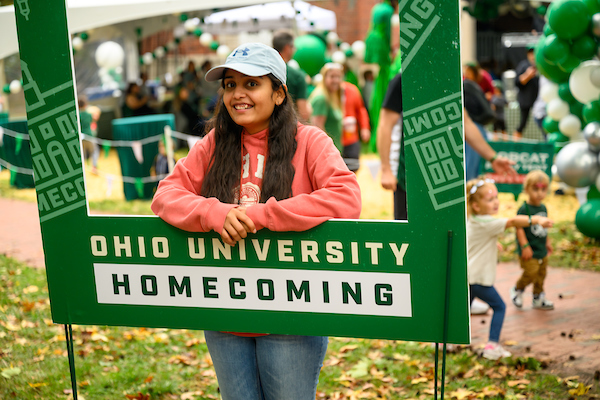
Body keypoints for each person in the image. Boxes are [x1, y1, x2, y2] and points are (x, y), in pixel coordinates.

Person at [150, 42, 361, 400]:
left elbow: (346, 198)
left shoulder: (309, 141)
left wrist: (263, 214)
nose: (237, 95)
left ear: (278, 94)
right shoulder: (215, 143)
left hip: (291, 314)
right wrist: (213, 212)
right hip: (227, 315)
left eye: (251, 84)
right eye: (230, 85)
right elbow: (166, 195)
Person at [377, 73, 517, 221]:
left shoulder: (448, 77)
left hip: (443, 173)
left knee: (441, 228)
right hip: (407, 172)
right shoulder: (404, 79)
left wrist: (493, 157)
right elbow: (385, 125)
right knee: (408, 228)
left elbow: (465, 123)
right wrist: (386, 169)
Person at [466, 177, 553, 360]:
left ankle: (446, 342)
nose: (496, 202)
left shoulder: (473, 221)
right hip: (479, 278)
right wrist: (536, 219)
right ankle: (492, 346)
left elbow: (475, 239)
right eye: (490, 199)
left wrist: (492, 243)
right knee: (500, 307)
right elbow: (513, 221)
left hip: (467, 276)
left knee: (462, 309)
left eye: (496, 197)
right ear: (476, 206)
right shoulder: (487, 223)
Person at [510, 170, 554, 310]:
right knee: (531, 273)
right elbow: (518, 227)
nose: (540, 193)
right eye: (535, 189)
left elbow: (544, 228)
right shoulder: (524, 209)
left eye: (543, 189)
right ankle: (517, 290)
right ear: (527, 189)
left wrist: (547, 242)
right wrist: (525, 246)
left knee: (541, 273)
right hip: (529, 249)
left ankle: (538, 297)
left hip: (541, 248)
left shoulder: (543, 207)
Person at [272, 30, 311, 122]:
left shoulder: (263, 71)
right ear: (287, 48)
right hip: (288, 127)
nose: (294, 50)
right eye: (293, 47)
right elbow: (303, 113)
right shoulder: (298, 75)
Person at [514, 46, 539, 141]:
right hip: (525, 99)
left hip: (538, 99)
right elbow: (517, 82)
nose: (532, 55)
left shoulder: (540, 65)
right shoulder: (523, 65)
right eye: (530, 53)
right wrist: (527, 75)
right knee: (523, 122)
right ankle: (516, 143)